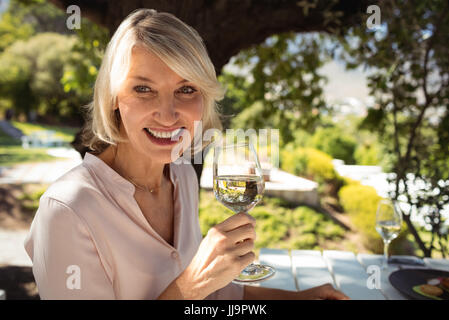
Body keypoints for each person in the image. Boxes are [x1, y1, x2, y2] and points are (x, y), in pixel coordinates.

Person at [24, 8, 348, 300]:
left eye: (186, 89)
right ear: (113, 97)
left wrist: (298, 297)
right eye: (143, 89)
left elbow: (216, 296)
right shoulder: (67, 211)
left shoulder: (181, 176)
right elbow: (196, 290)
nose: (168, 115)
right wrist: (189, 287)